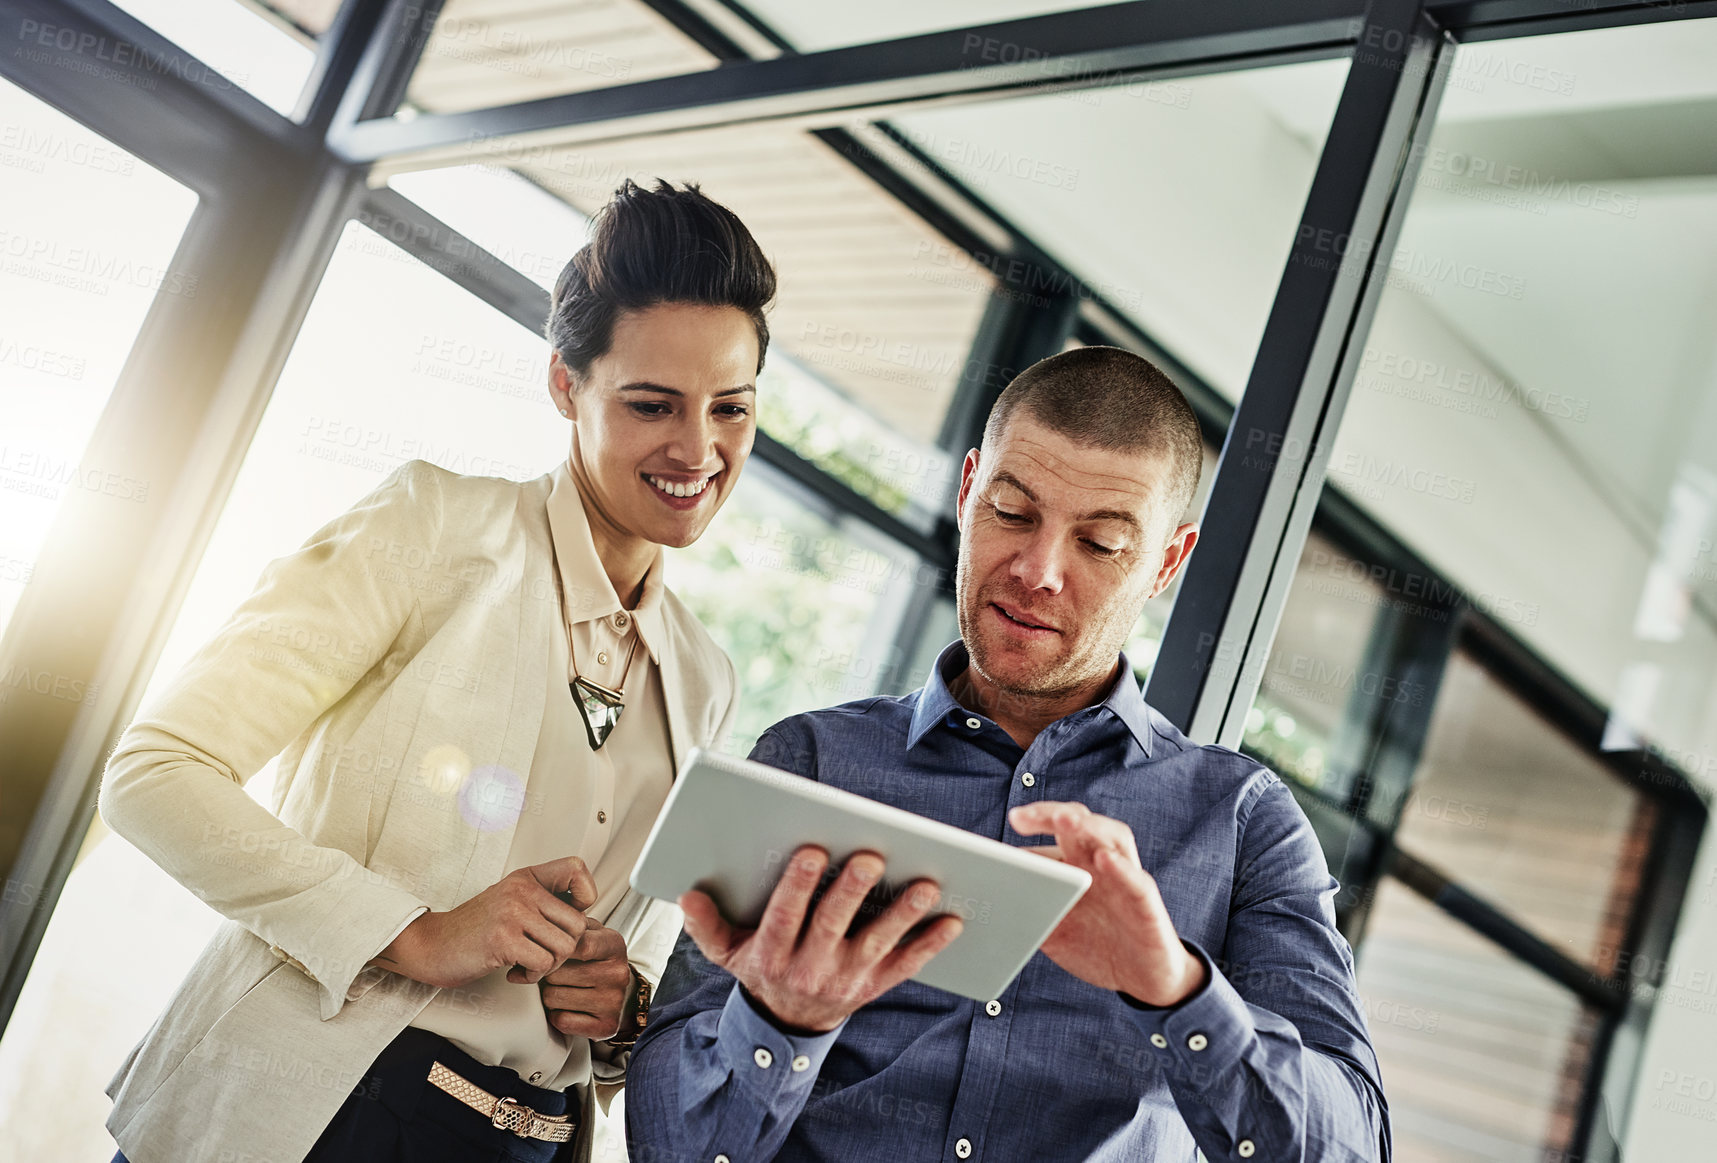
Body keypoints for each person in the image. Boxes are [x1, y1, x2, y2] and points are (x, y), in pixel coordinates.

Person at [99, 179, 775, 1163]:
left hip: (527, 1139)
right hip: (309, 1113)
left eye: (732, 408)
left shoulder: (703, 675)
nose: (698, 448)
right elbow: (154, 771)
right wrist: (411, 930)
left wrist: (621, 1006)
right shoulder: (434, 527)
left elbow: (632, 976)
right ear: (564, 384)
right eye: (651, 404)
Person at [626, 345, 1391, 1162]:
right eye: (1012, 511)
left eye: (1098, 544)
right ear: (966, 494)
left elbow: (1347, 1145)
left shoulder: (1244, 825)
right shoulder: (812, 759)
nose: (1037, 571)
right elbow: (666, 1142)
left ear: (1165, 562)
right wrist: (782, 1020)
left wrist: (1172, 987)